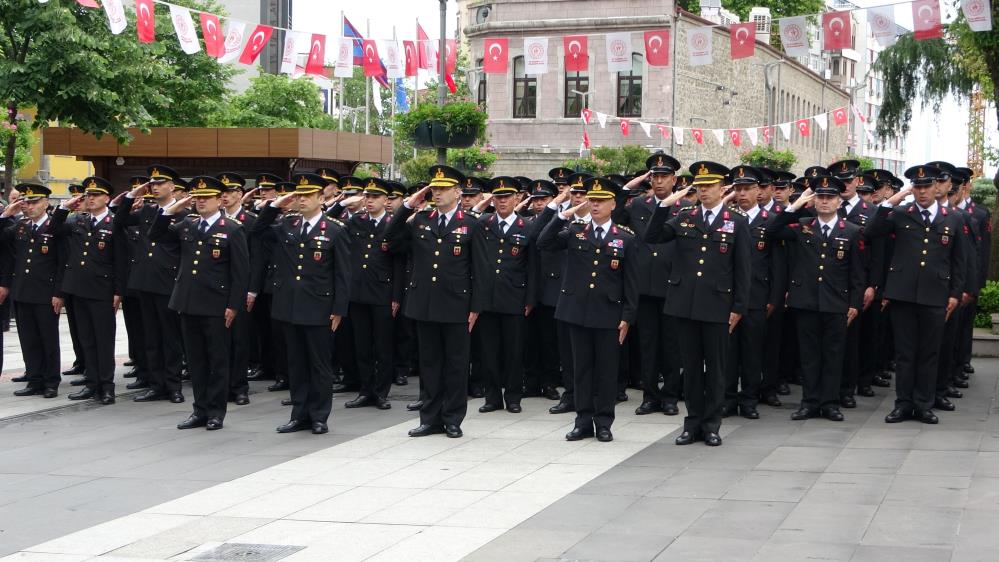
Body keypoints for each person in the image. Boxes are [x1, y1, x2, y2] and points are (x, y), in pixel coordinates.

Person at [644, 162, 751, 447]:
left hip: (718, 305)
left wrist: (738, 307)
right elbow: (652, 237)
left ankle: (711, 425)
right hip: (684, 304)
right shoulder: (684, 216)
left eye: (709, 186)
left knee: (715, 369)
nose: (704, 191)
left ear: (722, 188)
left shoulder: (736, 221)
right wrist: (666, 204)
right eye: (700, 186)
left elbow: (743, 269)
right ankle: (692, 424)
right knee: (690, 368)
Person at [538, 177, 639, 442]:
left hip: (608, 313)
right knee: (580, 369)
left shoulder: (624, 238)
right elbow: (543, 242)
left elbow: (631, 281)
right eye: (591, 200)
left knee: (606, 371)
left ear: (612, 204)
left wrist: (627, 316)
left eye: (600, 201)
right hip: (577, 311)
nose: (594, 205)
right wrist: (565, 214)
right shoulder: (575, 230)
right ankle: (583, 421)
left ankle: (604, 422)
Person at [865, 164, 967, 425]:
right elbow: (871, 231)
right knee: (905, 353)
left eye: (926, 187)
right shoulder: (900, 213)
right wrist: (892, 200)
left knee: (929, 353)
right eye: (917, 187)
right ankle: (903, 404)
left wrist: (955, 293)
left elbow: (959, 261)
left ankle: (924, 404)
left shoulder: (953, 217)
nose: (922, 192)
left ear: (937, 187)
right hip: (902, 294)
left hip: (936, 295)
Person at [384, 165, 481, 439]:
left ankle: (452, 418)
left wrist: (475, 306)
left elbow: (480, 269)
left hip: (456, 304)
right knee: (429, 365)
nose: (437, 193)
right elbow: (390, 239)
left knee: (456, 365)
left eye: (443, 189)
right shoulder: (420, 219)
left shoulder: (471, 223)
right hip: (424, 303)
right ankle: (429, 418)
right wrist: (407, 206)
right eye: (434, 189)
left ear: (457, 192)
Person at [252, 173, 350, 434]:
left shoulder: (335, 230)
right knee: (295, 364)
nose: (302, 199)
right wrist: (275, 204)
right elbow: (256, 230)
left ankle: (319, 416)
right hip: (289, 307)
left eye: (308, 195)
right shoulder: (288, 225)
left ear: (321, 198)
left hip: (319, 308)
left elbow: (342, 274)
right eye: (299, 195)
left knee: (319, 365)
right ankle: (299, 414)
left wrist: (339, 309)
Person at [150, 176, 249, 431]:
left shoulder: (233, 228)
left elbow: (240, 272)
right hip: (188, 302)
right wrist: (170, 209)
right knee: (196, 361)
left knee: (217, 360)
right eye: (198, 198)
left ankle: (216, 412)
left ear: (219, 200)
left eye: (206, 198)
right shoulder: (188, 225)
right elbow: (156, 235)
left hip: (217, 305)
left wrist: (233, 306)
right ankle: (200, 410)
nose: (201, 202)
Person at [767, 176, 866, 421]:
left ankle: (830, 403)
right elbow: (772, 231)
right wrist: (796, 204)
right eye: (820, 197)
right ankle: (809, 402)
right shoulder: (802, 225)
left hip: (836, 303)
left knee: (833, 356)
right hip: (806, 301)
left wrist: (854, 303)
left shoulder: (851, 231)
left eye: (829, 197)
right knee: (809, 356)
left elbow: (857, 272)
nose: (824, 201)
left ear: (838, 202)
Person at [115, 165, 186, 404]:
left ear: (172, 187)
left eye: (160, 183)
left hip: (169, 282)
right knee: (151, 336)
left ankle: (173, 385)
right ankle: (157, 385)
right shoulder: (147, 210)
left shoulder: (184, 213)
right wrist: (131, 196)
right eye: (152, 184)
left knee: (170, 337)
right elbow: (120, 220)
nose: (155, 187)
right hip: (145, 281)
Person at [471, 176, 538, 414]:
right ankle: (492, 397)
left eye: (507, 197)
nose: (502, 202)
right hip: (487, 299)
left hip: (514, 298)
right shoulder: (483, 224)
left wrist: (530, 299)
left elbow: (532, 266)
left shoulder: (527, 226)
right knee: (488, 352)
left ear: (516, 198)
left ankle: (513, 397)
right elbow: (476, 263)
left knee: (513, 352)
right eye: (498, 197)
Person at [722, 165, 782, 420]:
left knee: (752, 351)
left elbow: (778, 264)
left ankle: (749, 399)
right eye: (738, 189)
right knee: (727, 352)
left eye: (747, 189)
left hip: (758, 296)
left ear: (758, 190)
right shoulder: (726, 219)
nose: (743, 194)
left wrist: (774, 298)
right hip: (727, 296)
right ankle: (727, 399)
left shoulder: (770, 222)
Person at [0, 184, 72, 398]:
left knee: (47, 339)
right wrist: (5, 215)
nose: (29, 207)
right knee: (28, 339)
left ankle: (51, 381)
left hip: (45, 293)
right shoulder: (21, 226)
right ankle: (34, 378)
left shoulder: (54, 226)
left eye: (34, 202)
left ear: (46, 203)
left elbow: (63, 263)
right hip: (22, 291)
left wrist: (59, 293)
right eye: (27, 202)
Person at [626, 152, 683, 417]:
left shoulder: (685, 207)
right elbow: (614, 211)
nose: (659, 182)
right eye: (655, 177)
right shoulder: (639, 205)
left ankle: (670, 395)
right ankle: (650, 395)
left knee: (672, 346)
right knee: (647, 345)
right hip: (645, 286)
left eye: (664, 177)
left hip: (673, 286)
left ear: (674, 179)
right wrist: (630, 186)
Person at [61, 177, 126, 405]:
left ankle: (107, 386)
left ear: (107, 198)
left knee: (103, 340)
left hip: (102, 289)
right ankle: (92, 383)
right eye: (88, 195)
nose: (90, 199)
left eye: (95, 195)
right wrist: (63, 208)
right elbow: (53, 228)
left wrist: (118, 291)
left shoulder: (114, 222)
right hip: (78, 288)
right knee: (86, 339)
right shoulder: (78, 220)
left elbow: (121, 260)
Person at [340, 178, 401, 411]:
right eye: (367, 196)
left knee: (383, 346)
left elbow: (398, 263)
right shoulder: (356, 221)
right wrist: (346, 201)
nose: (370, 200)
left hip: (383, 293)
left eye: (375, 197)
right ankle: (365, 390)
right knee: (361, 345)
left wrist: (396, 296)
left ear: (386, 200)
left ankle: (381, 392)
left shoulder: (392, 223)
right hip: (358, 292)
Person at [217, 172, 255, 406]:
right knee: (220, 341)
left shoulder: (249, 220)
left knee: (240, 340)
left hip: (241, 287)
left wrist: (252, 290)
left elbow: (255, 258)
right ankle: (223, 385)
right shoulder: (215, 219)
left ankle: (240, 386)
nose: (225, 197)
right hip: (218, 289)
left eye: (230, 192)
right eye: (222, 193)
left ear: (240, 194)